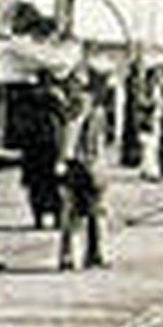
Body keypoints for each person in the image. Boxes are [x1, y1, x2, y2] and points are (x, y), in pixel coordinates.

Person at [57, 67, 107, 270]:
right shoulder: (86, 111)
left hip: (83, 165)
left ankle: (80, 255)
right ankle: (81, 255)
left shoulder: (83, 111)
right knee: (80, 212)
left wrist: (63, 160)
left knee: (80, 212)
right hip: (82, 165)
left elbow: (76, 138)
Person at [16, 67, 65, 229]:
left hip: (35, 150)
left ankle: (40, 218)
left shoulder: (29, 101)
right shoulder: (55, 101)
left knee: (38, 187)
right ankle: (56, 218)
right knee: (53, 186)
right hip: (48, 148)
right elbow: (63, 123)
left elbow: (22, 125)